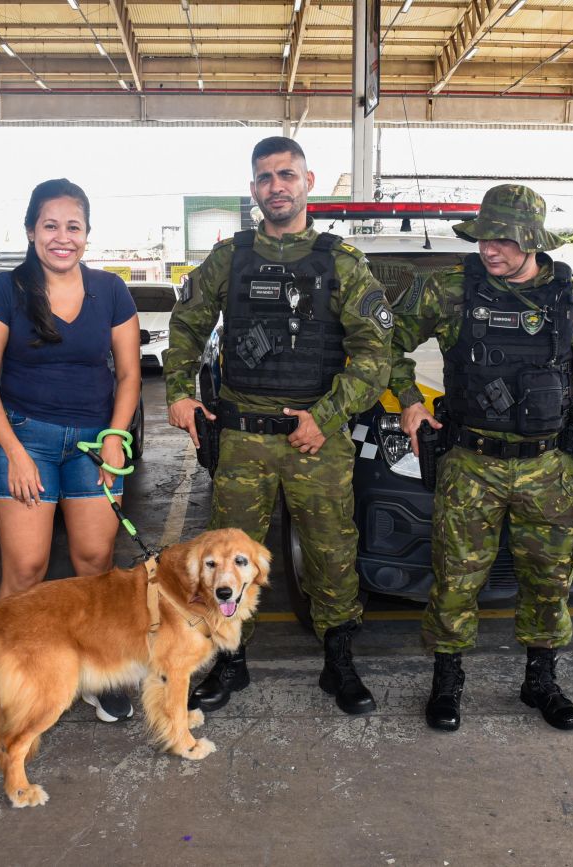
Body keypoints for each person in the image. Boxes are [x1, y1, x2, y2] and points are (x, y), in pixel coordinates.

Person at [165, 136, 393, 716]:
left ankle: (339, 662)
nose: (276, 186)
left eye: (286, 174)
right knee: (227, 558)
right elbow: (187, 324)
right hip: (242, 437)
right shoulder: (230, 258)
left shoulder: (342, 262)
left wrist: (328, 417)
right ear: (253, 189)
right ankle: (230, 662)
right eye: (265, 177)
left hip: (317, 437)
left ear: (307, 182)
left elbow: (375, 355)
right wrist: (179, 392)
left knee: (331, 552)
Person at [390, 184, 573, 733]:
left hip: (549, 469)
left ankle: (540, 681)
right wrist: (408, 400)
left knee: (549, 582)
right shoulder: (451, 290)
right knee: (455, 580)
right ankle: (447, 681)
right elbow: (382, 343)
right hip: (470, 465)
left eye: (504, 240)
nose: (489, 249)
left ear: (533, 241)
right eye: (483, 238)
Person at [0, 178, 142, 724]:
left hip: (94, 445)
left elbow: (130, 374)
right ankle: (9, 682)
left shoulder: (111, 290)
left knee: (94, 565)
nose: (62, 237)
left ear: (87, 234)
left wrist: (115, 437)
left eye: (73, 226)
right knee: (27, 570)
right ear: (30, 231)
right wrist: (15, 452)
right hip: (27, 440)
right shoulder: (4, 292)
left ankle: (95, 674)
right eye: (50, 225)